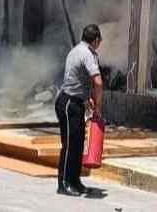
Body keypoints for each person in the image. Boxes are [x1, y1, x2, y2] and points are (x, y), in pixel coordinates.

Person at [55, 24, 103, 197]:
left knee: (77, 145)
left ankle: (75, 181)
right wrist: (98, 106)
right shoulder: (87, 54)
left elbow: (78, 78)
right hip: (68, 103)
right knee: (69, 145)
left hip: (75, 102)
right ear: (96, 40)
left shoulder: (77, 50)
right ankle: (64, 183)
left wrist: (86, 98)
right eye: (100, 40)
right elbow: (97, 82)